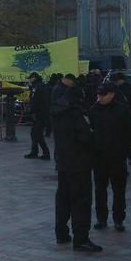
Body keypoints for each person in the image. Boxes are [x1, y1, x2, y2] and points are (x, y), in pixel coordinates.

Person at [51, 76, 99, 251]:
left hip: (63, 160)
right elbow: (86, 137)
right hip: (79, 162)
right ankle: (81, 238)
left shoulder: (58, 110)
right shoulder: (76, 113)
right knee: (81, 200)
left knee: (63, 198)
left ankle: (61, 233)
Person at [89, 82, 131, 232]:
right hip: (99, 157)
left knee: (118, 191)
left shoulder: (122, 110)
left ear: (112, 94)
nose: (100, 97)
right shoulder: (93, 110)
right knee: (100, 190)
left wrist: (125, 152)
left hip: (117, 157)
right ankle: (101, 219)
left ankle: (118, 219)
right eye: (98, 94)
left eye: (103, 95)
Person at [25, 72, 52, 160]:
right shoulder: (38, 86)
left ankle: (45, 153)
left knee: (37, 134)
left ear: (34, 78)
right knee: (35, 134)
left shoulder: (38, 87)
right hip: (40, 113)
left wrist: (32, 110)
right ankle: (35, 152)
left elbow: (36, 100)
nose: (29, 80)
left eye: (30, 78)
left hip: (39, 114)